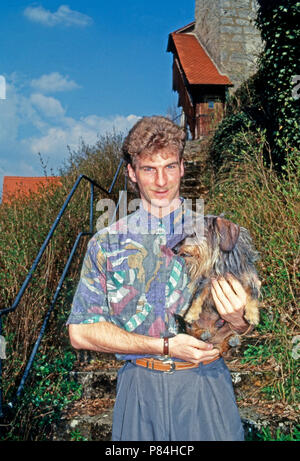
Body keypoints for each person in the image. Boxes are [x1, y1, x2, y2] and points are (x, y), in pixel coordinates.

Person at [67, 116, 251, 441]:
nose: (161, 180)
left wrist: (238, 316)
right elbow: (81, 332)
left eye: (169, 166)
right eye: (149, 169)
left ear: (183, 166)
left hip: (206, 387)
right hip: (138, 390)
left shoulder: (221, 234)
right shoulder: (106, 244)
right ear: (132, 173)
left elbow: (245, 325)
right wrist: (164, 346)